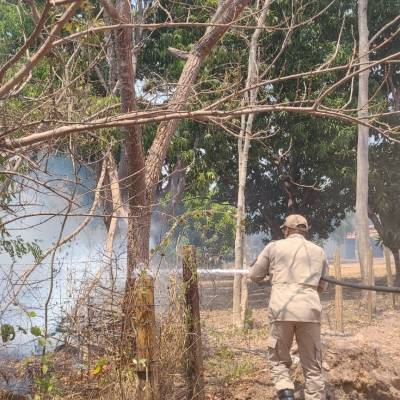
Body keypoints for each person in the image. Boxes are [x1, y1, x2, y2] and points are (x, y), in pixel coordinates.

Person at [249, 214, 328, 400]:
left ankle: (286, 393)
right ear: (305, 231)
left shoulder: (274, 247)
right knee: (313, 366)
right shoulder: (319, 251)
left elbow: (254, 275)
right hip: (310, 312)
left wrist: (272, 274)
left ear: (287, 230)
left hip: (281, 310)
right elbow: (322, 286)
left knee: (279, 360)